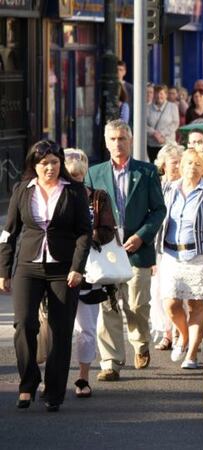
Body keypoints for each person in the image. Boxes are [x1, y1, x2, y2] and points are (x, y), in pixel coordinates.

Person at [0, 140, 92, 412]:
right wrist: (4, 271)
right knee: (24, 324)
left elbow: (85, 233)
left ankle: (54, 391)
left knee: (60, 331)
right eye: (43, 163)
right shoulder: (22, 190)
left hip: (63, 269)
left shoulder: (74, 192)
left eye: (54, 162)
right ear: (34, 165)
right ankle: (28, 384)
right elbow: (9, 233)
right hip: (28, 267)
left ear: (60, 163)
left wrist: (77, 267)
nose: (49, 168)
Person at [87, 120, 167, 382]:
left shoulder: (146, 172)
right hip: (107, 251)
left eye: (122, 138)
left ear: (130, 141)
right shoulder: (94, 173)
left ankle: (140, 341)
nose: (117, 144)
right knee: (108, 306)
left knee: (136, 305)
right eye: (112, 139)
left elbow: (159, 210)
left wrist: (141, 236)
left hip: (136, 250)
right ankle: (110, 362)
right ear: (106, 141)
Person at [158, 149, 203, 369]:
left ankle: (192, 355)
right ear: (181, 166)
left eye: (197, 164)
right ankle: (184, 335)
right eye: (188, 163)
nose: (191, 168)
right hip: (170, 254)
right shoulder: (169, 188)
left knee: (196, 305)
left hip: (199, 256)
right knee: (170, 303)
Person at [63, 148, 117, 399]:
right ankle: (54, 377)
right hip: (57, 270)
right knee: (57, 329)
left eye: (79, 175)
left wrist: (84, 237)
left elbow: (107, 229)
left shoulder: (98, 197)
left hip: (89, 271)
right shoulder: (51, 196)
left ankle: (83, 376)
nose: (75, 180)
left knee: (86, 329)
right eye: (70, 175)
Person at [151, 143, 185, 351]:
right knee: (159, 292)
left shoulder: (186, 185)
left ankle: (181, 332)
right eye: (174, 163)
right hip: (159, 248)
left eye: (181, 162)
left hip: (180, 248)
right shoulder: (156, 185)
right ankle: (167, 332)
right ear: (163, 165)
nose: (178, 166)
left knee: (178, 292)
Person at [146, 84, 180, 163]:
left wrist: (161, 135)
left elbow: (175, 123)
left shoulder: (173, 107)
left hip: (168, 143)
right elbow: (144, 125)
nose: (158, 96)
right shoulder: (147, 108)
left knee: (167, 164)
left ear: (166, 95)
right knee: (154, 165)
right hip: (152, 144)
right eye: (156, 93)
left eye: (161, 93)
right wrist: (154, 133)